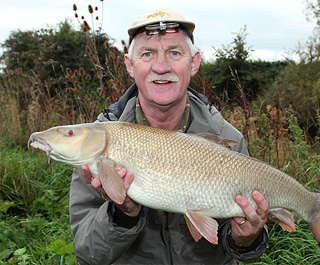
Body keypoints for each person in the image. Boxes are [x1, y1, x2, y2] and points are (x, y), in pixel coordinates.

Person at [69, 8, 270, 264]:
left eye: (175, 53)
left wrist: (246, 238)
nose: (161, 67)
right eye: (147, 54)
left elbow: (244, 244)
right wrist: (123, 215)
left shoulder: (227, 139)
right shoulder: (96, 144)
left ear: (194, 62)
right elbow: (88, 255)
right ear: (130, 66)